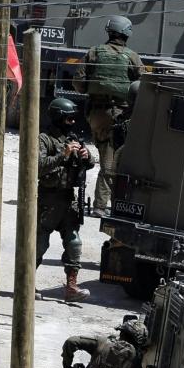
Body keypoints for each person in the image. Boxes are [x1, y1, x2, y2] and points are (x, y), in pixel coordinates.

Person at [72, 15, 144, 217]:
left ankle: (109, 203)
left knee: (107, 155)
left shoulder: (94, 52)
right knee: (111, 163)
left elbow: (78, 83)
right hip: (119, 116)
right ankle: (101, 206)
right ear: (127, 34)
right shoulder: (132, 57)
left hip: (96, 114)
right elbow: (144, 86)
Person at [38, 98, 95, 302]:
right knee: (39, 244)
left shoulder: (72, 138)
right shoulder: (45, 139)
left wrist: (86, 156)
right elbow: (39, 165)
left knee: (74, 244)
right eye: (68, 119)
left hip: (68, 200)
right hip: (48, 200)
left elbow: (89, 164)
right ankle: (26, 283)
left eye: (73, 119)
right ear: (58, 117)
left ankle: (71, 287)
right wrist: (63, 155)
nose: (72, 122)